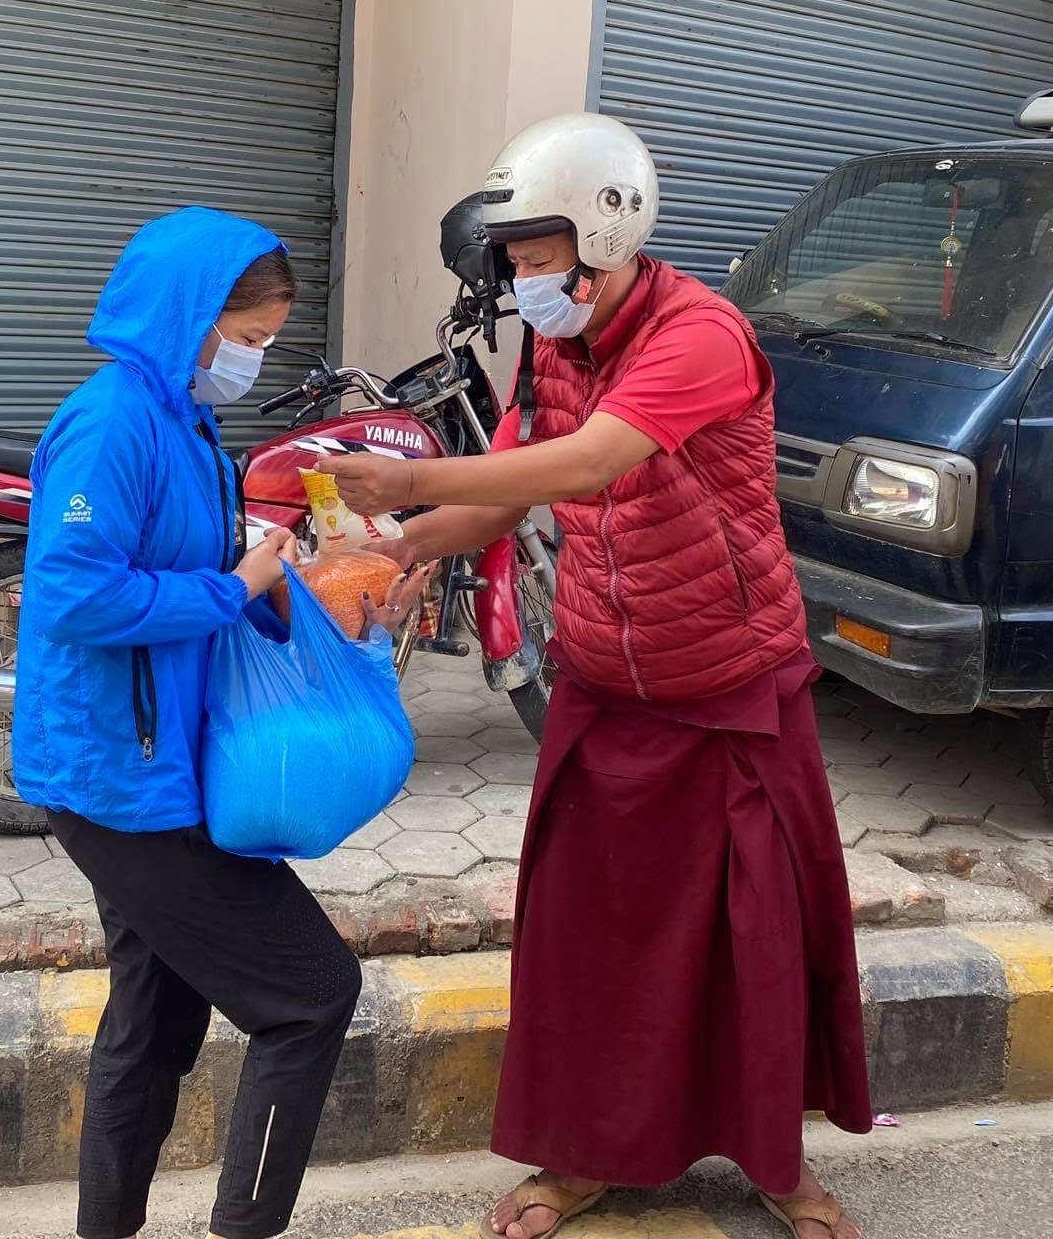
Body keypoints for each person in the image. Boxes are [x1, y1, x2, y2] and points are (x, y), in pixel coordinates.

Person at [320, 114, 872, 1239]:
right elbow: (525, 493)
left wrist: (407, 481)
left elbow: (591, 459)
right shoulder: (560, 343)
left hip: (727, 682)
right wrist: (409, 545)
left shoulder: (699, 336)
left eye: (535, 253)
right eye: (511, 259)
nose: (522, 279)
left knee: (751, 944)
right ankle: (577, 1161)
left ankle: (776, 1165)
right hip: (603, 680)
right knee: (587, 944)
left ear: (606, 230)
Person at [13, 206, 431, 1239]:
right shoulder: (112, 421)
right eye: (244, 337)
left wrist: (315, 589)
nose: (254, 359)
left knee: (154, 1023)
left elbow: (204, 570)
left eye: (265, 340)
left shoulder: (186, 421)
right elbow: (71, 597)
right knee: (309, 995)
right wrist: (228, 587)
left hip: (160, 761)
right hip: (116, 776)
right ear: (187, 317)